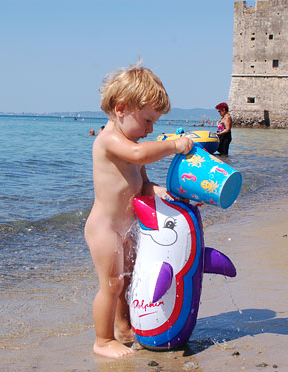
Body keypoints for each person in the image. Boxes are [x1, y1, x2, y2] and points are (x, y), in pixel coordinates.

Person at [84, 63, 193, 359]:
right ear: (121, 109)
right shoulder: (110, 141)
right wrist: (173, 145)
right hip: (104, 229)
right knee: (111, 284)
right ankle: (102, 340)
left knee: (128, 279)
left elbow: (142, 185)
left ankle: (123, 328)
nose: (150, 129)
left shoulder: (131, 143)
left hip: (126, 227)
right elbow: (139, 154)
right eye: (147, 120)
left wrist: (165, 193)